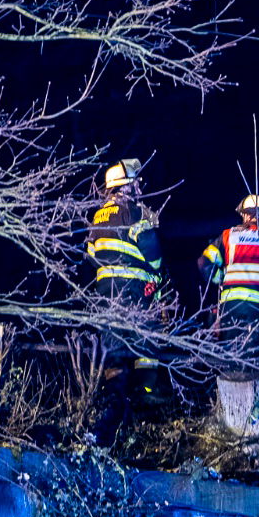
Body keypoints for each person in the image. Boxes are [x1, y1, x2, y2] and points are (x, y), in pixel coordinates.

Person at [85, 158, 164, 443]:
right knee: (146, 343)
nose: (139, 187)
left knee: (114, 353)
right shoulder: (135, 213)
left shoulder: (98, 217)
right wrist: (152, 274)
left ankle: (114, 409)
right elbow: (153, 254)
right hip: (134, 294)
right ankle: (145, 402)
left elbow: (91, 254)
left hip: (105, 297)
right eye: (136, 183)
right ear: (125, 186)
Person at [198, 194, 259, 363]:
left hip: (230, 308)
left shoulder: (227, 237)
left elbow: (204, 263)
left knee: (230, 359)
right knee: (257, 361)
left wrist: (220, 279)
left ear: (246, 215)